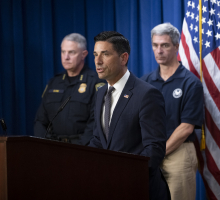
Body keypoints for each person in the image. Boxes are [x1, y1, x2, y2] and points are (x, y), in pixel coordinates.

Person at [89, 31, 170, 200]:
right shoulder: (100, 93)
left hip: (138, 188)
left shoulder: (146, 94)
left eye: (105, 54)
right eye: (96, 54)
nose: (98, 61)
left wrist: (125, 177)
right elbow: (99, 139)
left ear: (123, 58)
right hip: (108, 187)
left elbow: (154, 149)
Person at [141, 23, 203, 200]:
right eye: (155, 45)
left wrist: (158, 152)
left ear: (176, 46)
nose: (159, 50)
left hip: (179, 153)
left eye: (165, 45)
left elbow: (186, 127)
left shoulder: (191, 83)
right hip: (149, 154)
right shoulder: (145, 82)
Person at [34, 33, 105, 145]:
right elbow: (41, 121)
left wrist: (77, 150)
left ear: (84, 54)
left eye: (71, 52)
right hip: (53, 148)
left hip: (83, 149)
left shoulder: (95, 82)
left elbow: (96, 123)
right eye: (63, 52)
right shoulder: (54, 83)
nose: (66, 57)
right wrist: (45, 145)